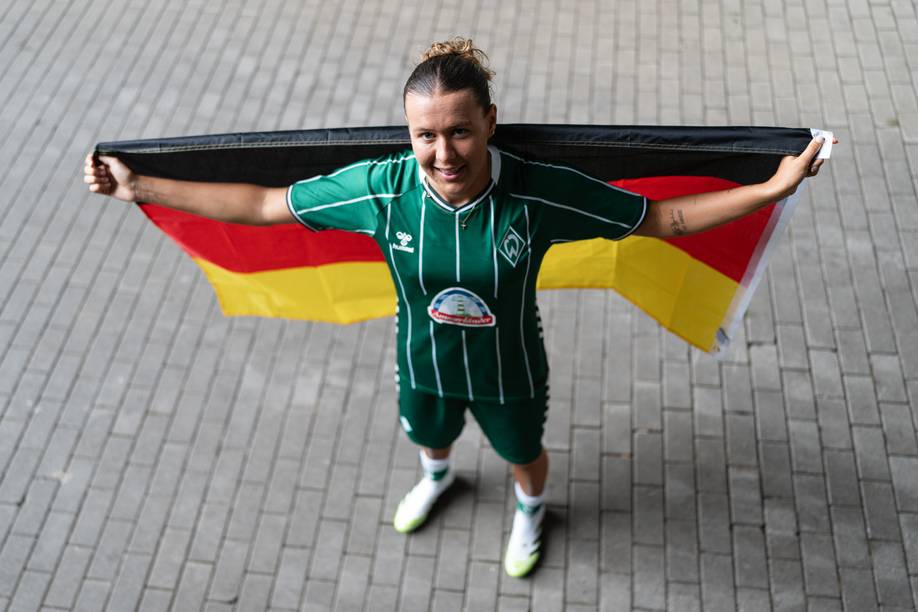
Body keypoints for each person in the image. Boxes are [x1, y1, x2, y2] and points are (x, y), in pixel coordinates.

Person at [85, 37, 833, 578]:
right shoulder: (381, 187)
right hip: (422, 364)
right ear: (408, 135)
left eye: (459, 131)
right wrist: (138, 187)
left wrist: (769, 191)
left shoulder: (540, 192)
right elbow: (263, 202)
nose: (443, 152)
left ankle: (530, 515)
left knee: (522, 457)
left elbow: (661, 221)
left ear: (490, 122)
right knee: (429, 435)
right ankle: (439, 478)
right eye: (425, 135)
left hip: (511, 373)